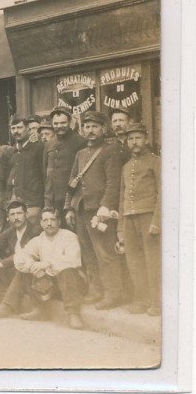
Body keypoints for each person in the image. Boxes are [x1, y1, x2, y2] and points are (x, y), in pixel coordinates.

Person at [64, 110, 124, 310]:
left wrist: (105, 208)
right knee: (88, 252)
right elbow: (72, 183)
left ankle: (113, 293)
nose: (90, 131)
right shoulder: (81, 154)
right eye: (87, 126)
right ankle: (96, 290)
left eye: (95, 127)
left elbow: (113, 183)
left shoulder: (110, 150)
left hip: (99, 212)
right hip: (81, 209)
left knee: (105, 253)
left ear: (103, 129)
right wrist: (69, 208)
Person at [14, 208, 85, 329]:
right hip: (53, 285)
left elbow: (73, 260)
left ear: (59, 221)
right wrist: (33, 266)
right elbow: (20, 257)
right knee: (28, 269)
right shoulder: (39, 239)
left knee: (66, 271)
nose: (49, 223)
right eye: (45, 220)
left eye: (52, 219)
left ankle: (74, 314)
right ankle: (38, 309)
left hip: (73, 284)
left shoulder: (69, 236)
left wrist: (47, 264)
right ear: (41, 223)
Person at [117, 123, 161, 316]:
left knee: (153, 261)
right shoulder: (126, 167)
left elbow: (163, 193)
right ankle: (141, 301)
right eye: (130, 139)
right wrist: (120, 227)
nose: (134, 142)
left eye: (138, 138)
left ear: (146, 139)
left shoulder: (155, 162)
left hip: (148, 216)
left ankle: (157, 303)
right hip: (128, 217)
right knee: (133, 261)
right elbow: (121, 197)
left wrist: (157, 221)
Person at [0, 200, 42, 316]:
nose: (16, 217)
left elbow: (25, 254)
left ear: (26, 214)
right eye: (12, 214)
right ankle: (1, 302)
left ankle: (7, 305)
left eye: (19, 213)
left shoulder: (35, 230)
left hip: (31, 272)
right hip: (14, 270)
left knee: (20, 266)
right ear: (8, 217)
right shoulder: (9, 232)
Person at [43, 106, 87, 216]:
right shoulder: (49, 144)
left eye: (63, 123)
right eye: (56, 123)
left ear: (70, 122)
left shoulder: (80, 142)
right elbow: (44, 170)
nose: (59, 126)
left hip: (72, 198)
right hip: (52, 199)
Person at [7, 115, 45, 224]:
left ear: (28, 129)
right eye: (13, 128)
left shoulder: (38, 148)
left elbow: (44, 176)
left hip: (33, 203)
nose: (16, 131)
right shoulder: (11, 151)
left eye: (19, 128)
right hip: (15, 203)